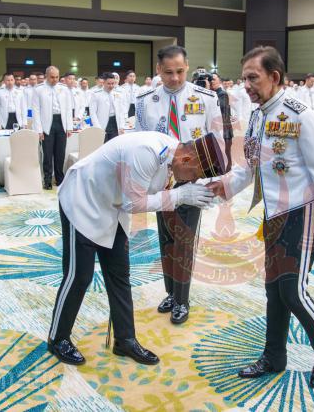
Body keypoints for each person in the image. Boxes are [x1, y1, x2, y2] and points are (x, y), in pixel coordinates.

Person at [207, 46, 314, 389]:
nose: (246, 86)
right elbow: (250, 166)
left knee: (293, 291)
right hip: (274, 215)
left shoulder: (301, 115)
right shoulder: (257, 116)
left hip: (301, 212)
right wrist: (224, 185)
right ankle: (273, 356)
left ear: (275, 77)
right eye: (244, 79)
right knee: (274, 291)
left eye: (253, 78)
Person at [47, 130, 227, 366]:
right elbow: (133, 203)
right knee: (79, 275)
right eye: (194, 175)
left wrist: (197, 195)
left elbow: (141, 196)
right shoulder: (146, 152)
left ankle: (125, 340)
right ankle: (58, 338)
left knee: (120, 274)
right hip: (83, 198)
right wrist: (179, 195)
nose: (191, 181)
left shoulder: (173, 156)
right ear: (186, 159)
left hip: (113, 205)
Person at [135, 45, 223, 325]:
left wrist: (213, 181)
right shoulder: (145, 101)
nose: (174, 78)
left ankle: (182, 300)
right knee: (166, 239)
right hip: (161, 180)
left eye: (180, 72)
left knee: (184, 240)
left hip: (192, 179)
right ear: (158, 70)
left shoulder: (206, 98)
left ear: (187, 67)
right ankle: (171, 292)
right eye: (168, 72)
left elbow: (217, 140)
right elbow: (139, 143)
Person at [32, 66, 74, 190]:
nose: (55, 79)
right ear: (46, 76)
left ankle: (60, 179)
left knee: (60, 153)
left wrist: (69, 126)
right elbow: (36, 111)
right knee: (47, 154)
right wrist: (39, 130)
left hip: (61, 123)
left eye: (57, 77)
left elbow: (68, 109)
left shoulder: (64, 89)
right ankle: (47, 180)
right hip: (46, 125)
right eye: (52, 77)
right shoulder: (38, 89)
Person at [89, 72, 127, 142]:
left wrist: (122, 126)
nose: (111, 86)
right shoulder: (96, 94)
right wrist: (98, 128)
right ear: (103, 83)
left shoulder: (118, 94)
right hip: (102, 124)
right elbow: (93, 113)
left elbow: (121, 111)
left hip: (115, 123)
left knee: (114, 145)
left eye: (113, 83)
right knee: (103, 145)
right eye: (108, 84)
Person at [211, 72, 233, 171]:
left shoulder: (222, 94)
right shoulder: (210, 94)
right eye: (210, 79)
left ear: (219, 81)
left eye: (214, 79)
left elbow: (221, 111)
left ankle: (228, 174)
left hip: (224, 130)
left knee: (226, 155)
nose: (211, 81)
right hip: (216, 129)